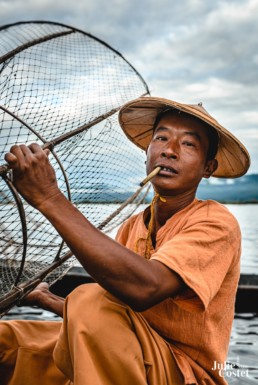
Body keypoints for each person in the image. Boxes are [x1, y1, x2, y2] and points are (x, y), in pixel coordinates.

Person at [0, 96, 250, 385]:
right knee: (8, 340)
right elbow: (114, 316)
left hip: (184, 373)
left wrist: (49, 198)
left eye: (188, 144)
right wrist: (47, 299)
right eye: (161, 138)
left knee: (89, 297)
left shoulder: (216, 222)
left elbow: (145, 288)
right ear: (147, 152)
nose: (169, 151)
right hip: (131, 351)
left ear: (208, 167)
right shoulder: (133, 227)